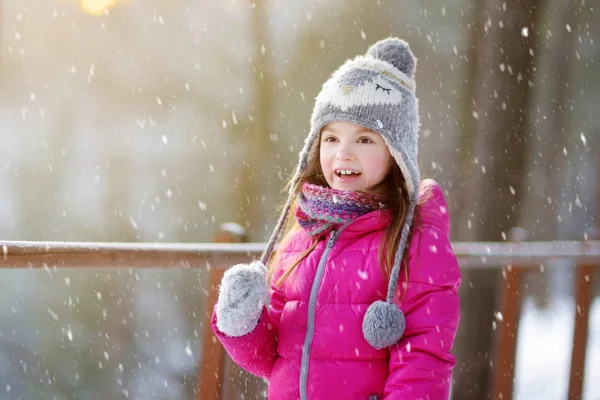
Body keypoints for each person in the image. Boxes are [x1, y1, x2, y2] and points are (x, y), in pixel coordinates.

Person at [211, 37, 461, 400]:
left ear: (396, 153)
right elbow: (272, 358)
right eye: (331, 139)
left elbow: (425, 359)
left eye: (364, 140)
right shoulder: (304, 235)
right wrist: (241, 323)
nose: (343, 153)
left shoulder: (414, 240)